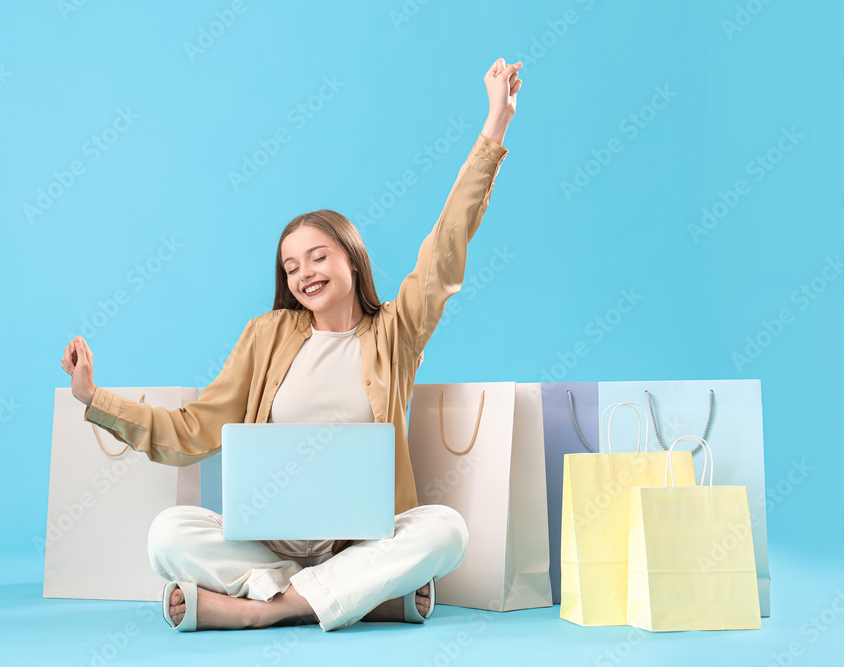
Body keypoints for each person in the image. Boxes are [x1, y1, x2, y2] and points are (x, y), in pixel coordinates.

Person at [60, 57, 522, 632]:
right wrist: (94, 399)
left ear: (352, 257)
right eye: (291, 265)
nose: (305, 272)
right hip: (269, 546)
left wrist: (493, 128)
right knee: (168, 534)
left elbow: (447, 244)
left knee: (446, 530)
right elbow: (190, 430)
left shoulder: (394, 333)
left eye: (319, 255)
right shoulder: (266, 336)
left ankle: (260, 612)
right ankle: (360, 601)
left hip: (362, 541)